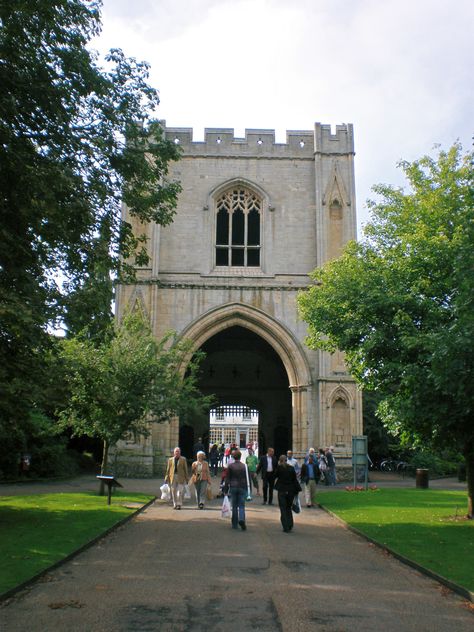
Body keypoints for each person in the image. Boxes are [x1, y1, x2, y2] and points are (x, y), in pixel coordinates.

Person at [274, 454, 302, 532]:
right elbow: (294, 479)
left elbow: (275, 476)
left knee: (283, 508)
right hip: (290, 490)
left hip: (282, 490)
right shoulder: (291, 468)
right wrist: (297, 489)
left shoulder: (279, 468)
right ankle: (290, 524)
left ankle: (285, 526)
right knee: (288, 508)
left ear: (280, 461)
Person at [224, 449, 248, 530]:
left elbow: (227, 479)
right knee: (241, 505)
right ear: (240, 457)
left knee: (234, 506)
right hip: (242, 486)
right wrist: (248, 489)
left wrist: (225, 490)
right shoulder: (244, 466)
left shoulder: (230, 466)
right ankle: (241, 519)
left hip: (233, 486)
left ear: (233, 457)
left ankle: (234, 524)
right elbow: (247, 478)